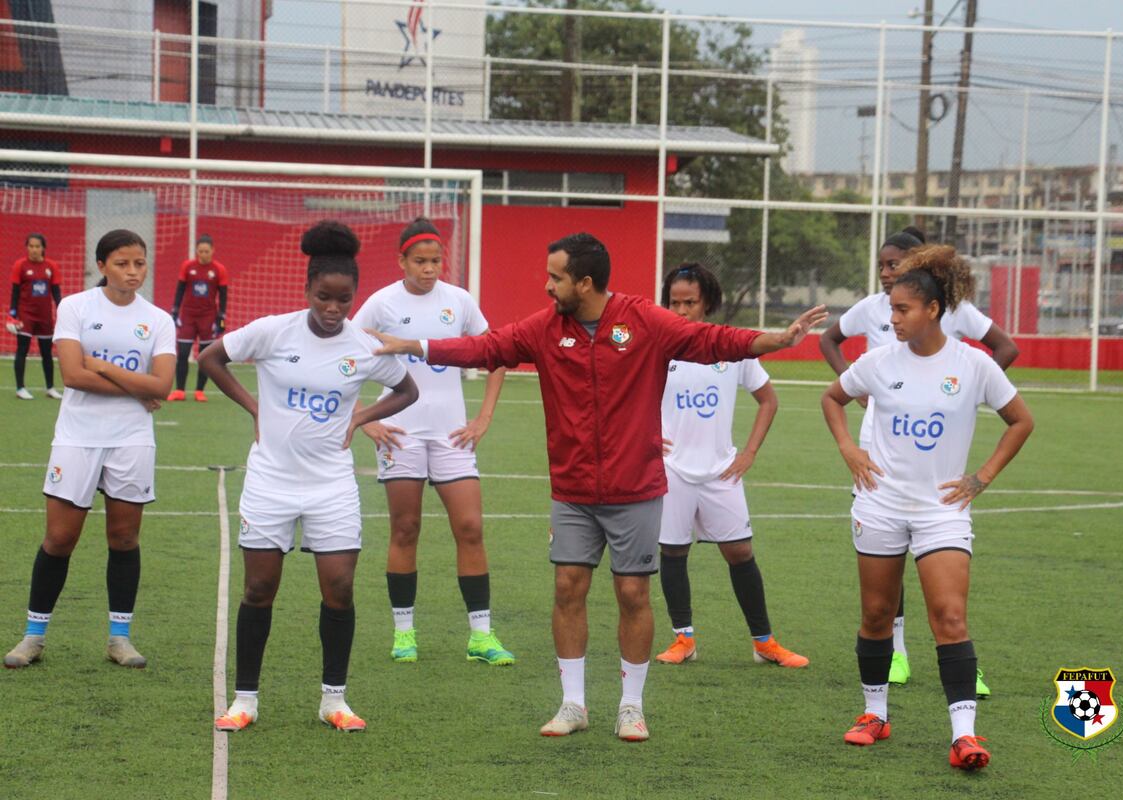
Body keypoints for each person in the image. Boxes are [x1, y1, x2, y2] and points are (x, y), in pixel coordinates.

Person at [366, 232, 827, 742]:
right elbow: (486, 348)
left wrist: (778, 340)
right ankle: (573, 703)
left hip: (636, 487)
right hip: (573, 489)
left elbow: (714, 340)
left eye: (555, 277)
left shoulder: (644, 320)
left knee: (633, 593)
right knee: (568, 588)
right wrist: (417, 345)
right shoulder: (545, 329)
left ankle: (631, 706)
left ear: (584, 283)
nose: (546, 286)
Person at [820, 243, 1034, 771]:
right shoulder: (877, 362)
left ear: (933, 310)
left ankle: (964, 735)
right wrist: (851, 449)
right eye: (891, 308)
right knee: (875, 614)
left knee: (950, 616)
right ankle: (875, 715)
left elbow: (1021, 421)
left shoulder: (973, 366)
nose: (892, 318)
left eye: (902, 309)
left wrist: (981, 477)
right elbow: (831, 399)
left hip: (941, 509)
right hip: (881, 504)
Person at [200, 220, 418, 733]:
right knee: (259, 588)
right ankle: (246, 700)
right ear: (308, 290)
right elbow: (211, 358)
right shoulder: (273, 331)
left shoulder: (364, 346)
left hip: (332, 485)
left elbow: (407, 390)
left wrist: (361, 418)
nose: (333, 309)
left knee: (339, 587)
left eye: (343, 300)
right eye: (324, 297)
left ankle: (333, 700)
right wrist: (254, 406)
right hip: (270, 480)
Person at [4, 230, 175, 670]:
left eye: (139, 263)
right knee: (60, 539)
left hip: (132, 438)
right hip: (77, 435)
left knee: (123, 538)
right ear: (102, 265)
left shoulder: (157, 320)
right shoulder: (76, 307)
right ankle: (33, 636)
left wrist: (101, 365)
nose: (133, 272)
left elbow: (162, 386)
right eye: (122, 263)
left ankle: (120, 638)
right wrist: (132, 384)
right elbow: (73, 377)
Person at [353, 217, 513, 666]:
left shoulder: (459, 301)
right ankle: (404, 633)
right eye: (419, 261)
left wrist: (482, 417)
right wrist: (366, 421)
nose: (429, 269)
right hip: (400, 435)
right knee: (406, 530)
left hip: (452, 437)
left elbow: (497, 353)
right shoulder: (381, 303)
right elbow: (339, 359)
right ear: (401, 260)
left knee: (470, 528)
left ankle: (481, 636)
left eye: (436, 261)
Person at [653, 264, 808, 669]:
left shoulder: (729, 348)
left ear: (707, 303)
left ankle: (764, 642)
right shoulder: (657, 348)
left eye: (690, 302)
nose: (682, 310)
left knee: (740, 552)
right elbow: (628, 399)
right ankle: (683, 639)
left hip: (722, 470)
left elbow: (768, 400)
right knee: (673, 550)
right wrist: (648, 438)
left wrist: (749, 453)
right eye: (674, 302)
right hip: (671, 469)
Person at [168, 234, 229, 402]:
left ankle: (199, 391)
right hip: (188, 315)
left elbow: (223, 296)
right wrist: (175, 311)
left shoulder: (219, 269)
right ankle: (179, 390)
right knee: (183, 353)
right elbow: (180, 290)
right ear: (196, 251)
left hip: (208, 317)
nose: (203, 254)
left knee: (204, 356)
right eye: (200, 251)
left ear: (212, 251)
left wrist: (221, 318)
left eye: (206, 251)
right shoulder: (187, 267)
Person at [8, 233, 64, 400]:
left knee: (47, 352)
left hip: (45, 316)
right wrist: (12, 316)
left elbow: (56, 293)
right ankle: (20, 388)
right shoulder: (20, 265)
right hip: (25, 315)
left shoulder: (51, 266)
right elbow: (15, 293)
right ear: (27, 247)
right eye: (31, 246)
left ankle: (50, 388)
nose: (33, 249)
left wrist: (63, 312)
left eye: (37, 246)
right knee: (22, 350)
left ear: (43, 248)